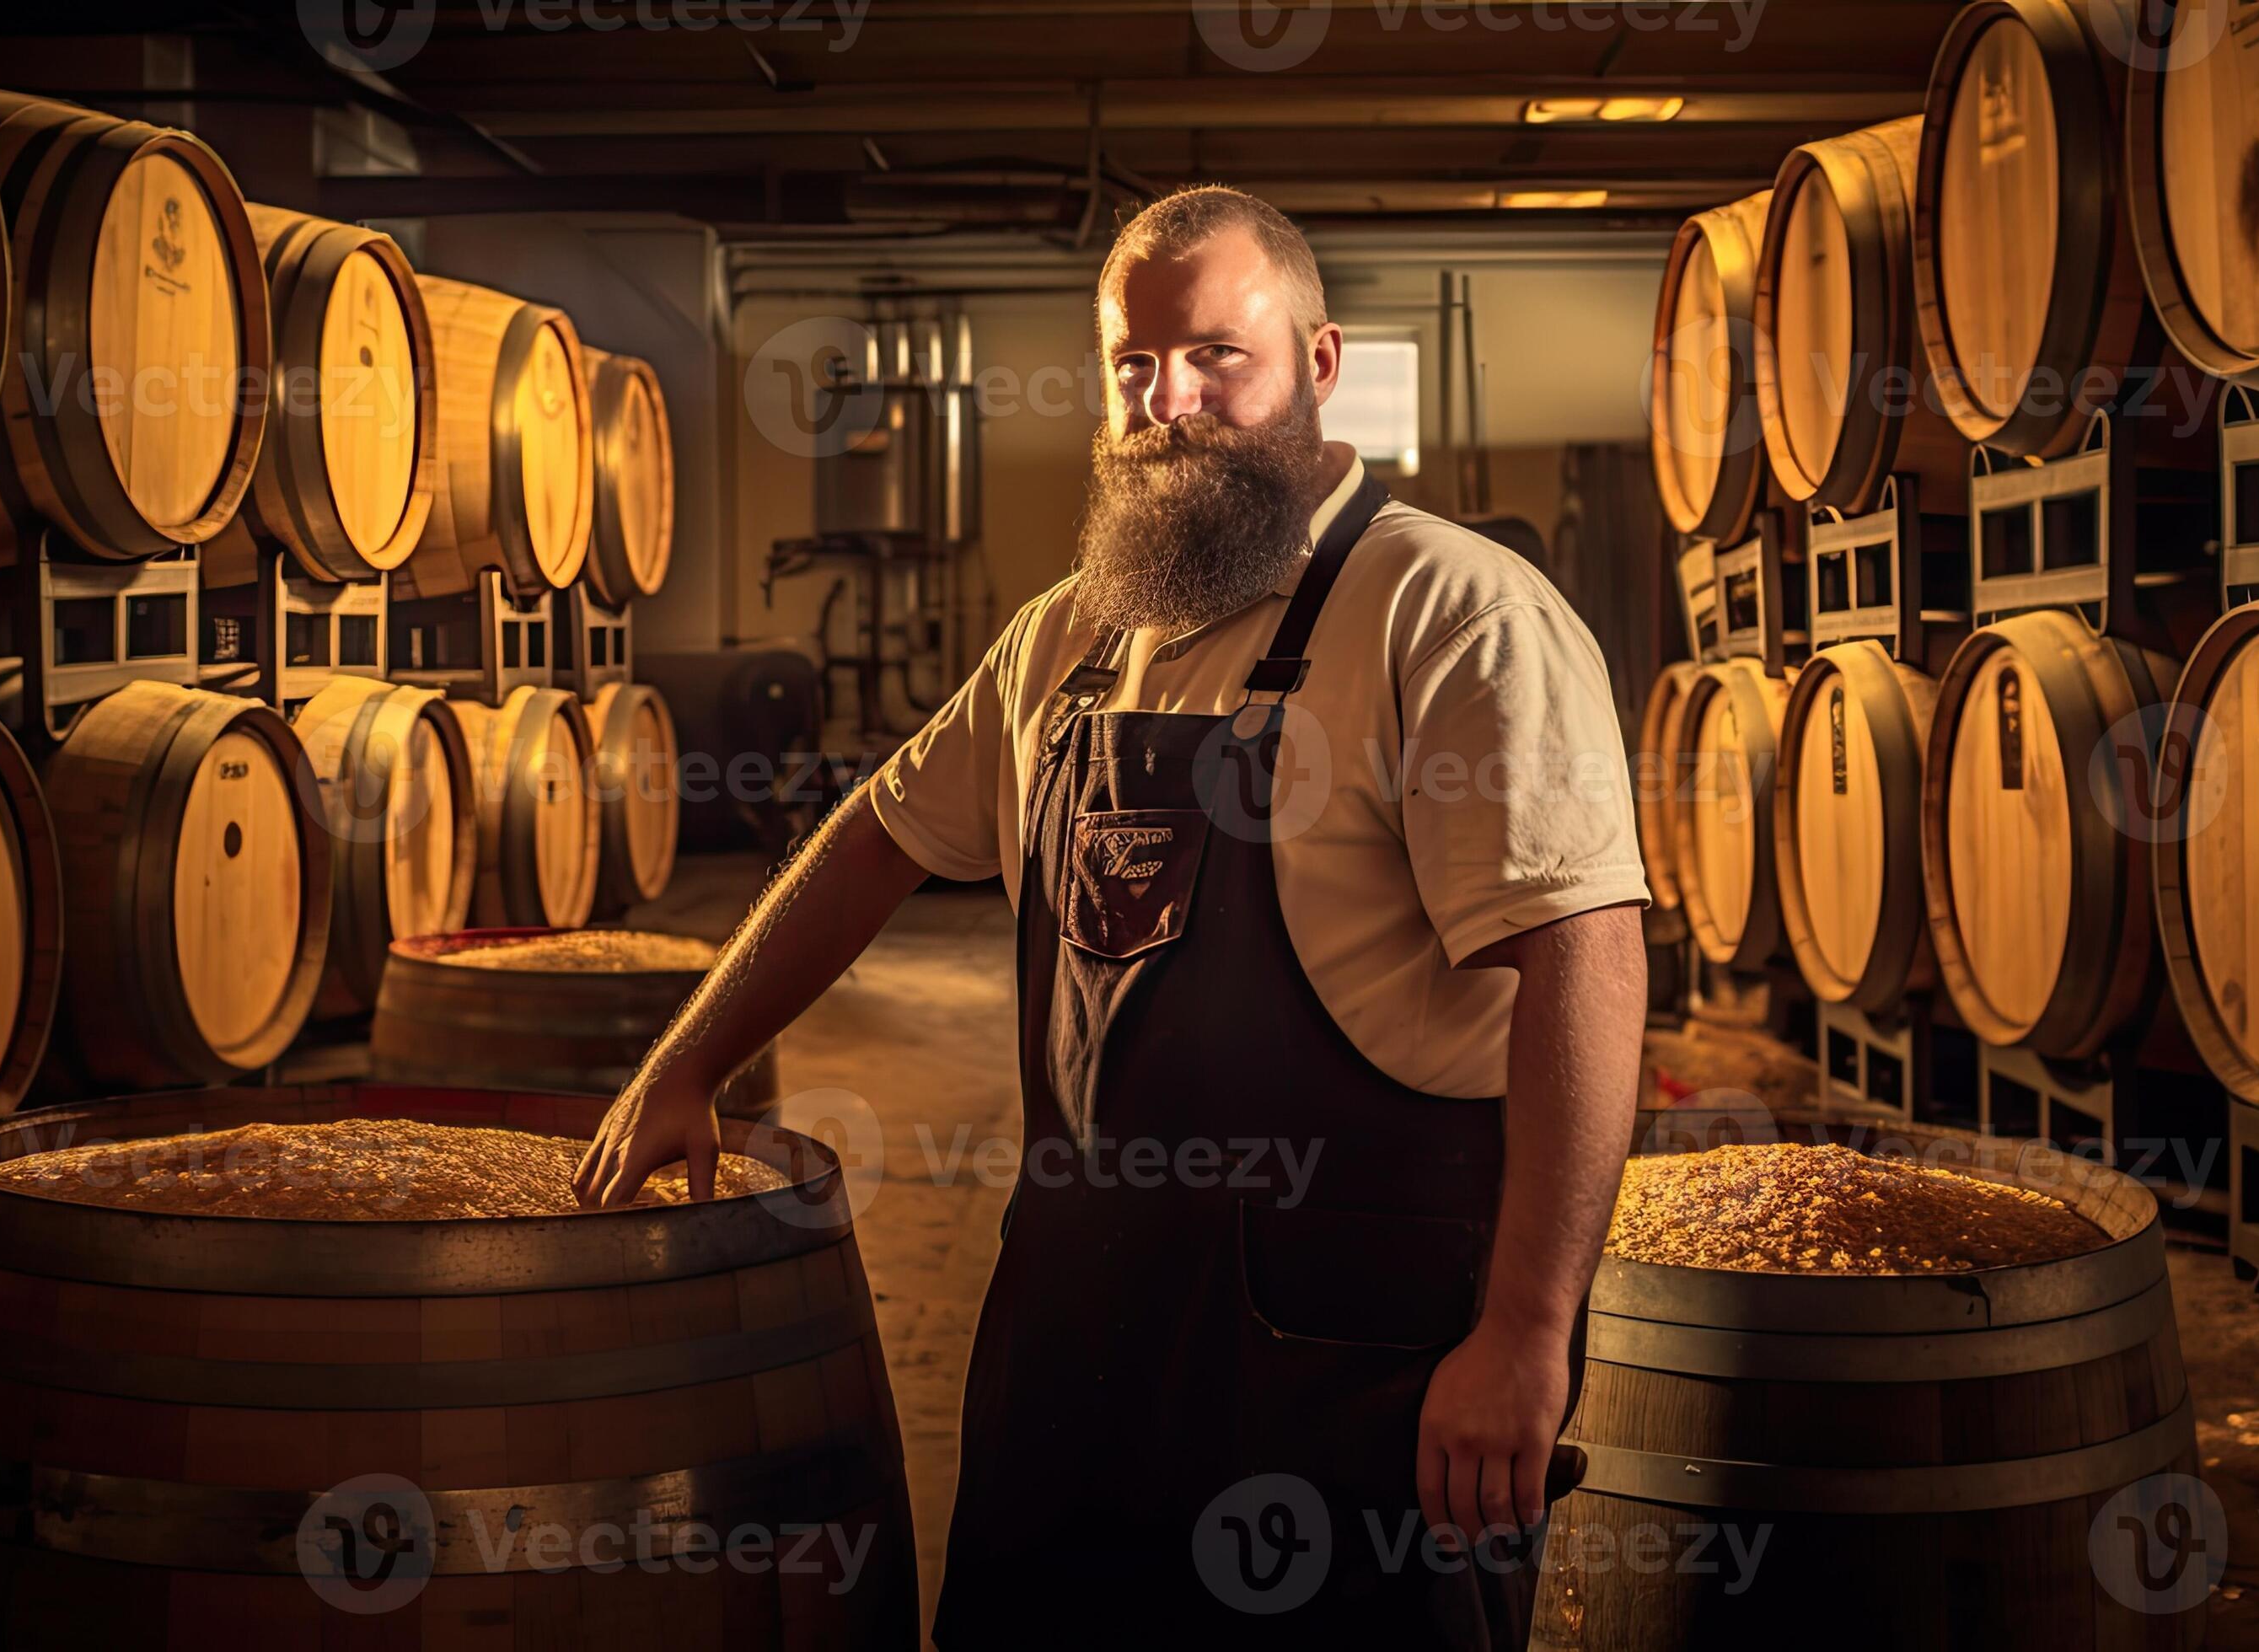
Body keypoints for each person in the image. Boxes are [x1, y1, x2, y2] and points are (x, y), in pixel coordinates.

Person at [578, 185, 1649, 1649]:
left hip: (1352, 1346)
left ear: (1320, 364)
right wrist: (686, 1061)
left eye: (1217, 358)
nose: (1170, 403)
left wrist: (1525, 1336)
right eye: (1135, 367)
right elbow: (876, 836)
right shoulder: (1073, 631)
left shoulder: (1449, 611)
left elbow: (1584, 956)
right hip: (1081, 1319)